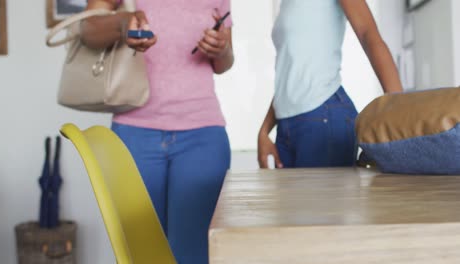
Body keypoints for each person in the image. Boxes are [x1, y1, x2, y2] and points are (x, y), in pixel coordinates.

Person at [82, 1, 234, 263]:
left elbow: (224, 63)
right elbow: (88, 29)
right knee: (140, 253)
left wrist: (221, 49)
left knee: (193, 254)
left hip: (202, 135)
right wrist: (123, 22)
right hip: (133, 132)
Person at [258, 0, 403, 169]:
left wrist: (399, 111)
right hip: (286, 126)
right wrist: (264, 130)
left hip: (322, 117)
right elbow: (291, 75)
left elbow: (368, 34)